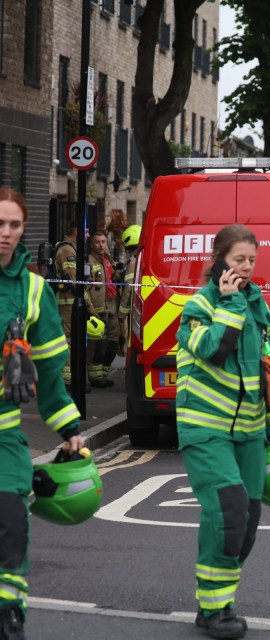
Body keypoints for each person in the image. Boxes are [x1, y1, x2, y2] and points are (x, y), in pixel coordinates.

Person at [175, 224, 270, 639]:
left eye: (252, 260)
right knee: (228, 511)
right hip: (206, 429)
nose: (246, 267)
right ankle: (215, 608)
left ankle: (216, 600)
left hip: (251, 432)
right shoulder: (198, 308)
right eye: (239, 259)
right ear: (220, 259)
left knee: (248, 519)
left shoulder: (260, 309)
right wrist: (228, 303)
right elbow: (213, 350)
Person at [0, 188, 85, 640]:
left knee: (12, 526)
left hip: (4, 437)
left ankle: (9, 613)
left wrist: (70, 429)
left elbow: (52, 373)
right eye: (0, 224)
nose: (6, 233)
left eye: (14, 225)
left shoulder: (34, 291)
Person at [52, 225, 94, 389]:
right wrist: (89, 305)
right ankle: (68, 381)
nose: (88, 234)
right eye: (86, 231)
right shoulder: (67, 250)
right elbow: (75, 281)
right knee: (69, 340)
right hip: (68, 303)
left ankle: (72, 378)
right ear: (77, 231)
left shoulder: (73, 249)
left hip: (71, 303)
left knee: (75, 340)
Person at [86, 231, 119, 388]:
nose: (101, 245)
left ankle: (104, 374)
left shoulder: (109, 260)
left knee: (113, 342)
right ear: (92, 245)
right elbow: (86, 287)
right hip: (98, 309)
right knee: (98, 344)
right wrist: (90, 308)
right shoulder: (89, 261)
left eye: (103, 242)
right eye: (97, 242)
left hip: (112, 306)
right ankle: (95, 377)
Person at [116, 224, 141, 357]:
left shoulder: (133, 263)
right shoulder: (143, 258)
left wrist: (122, 313)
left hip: (133, 309)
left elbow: (128, 290)